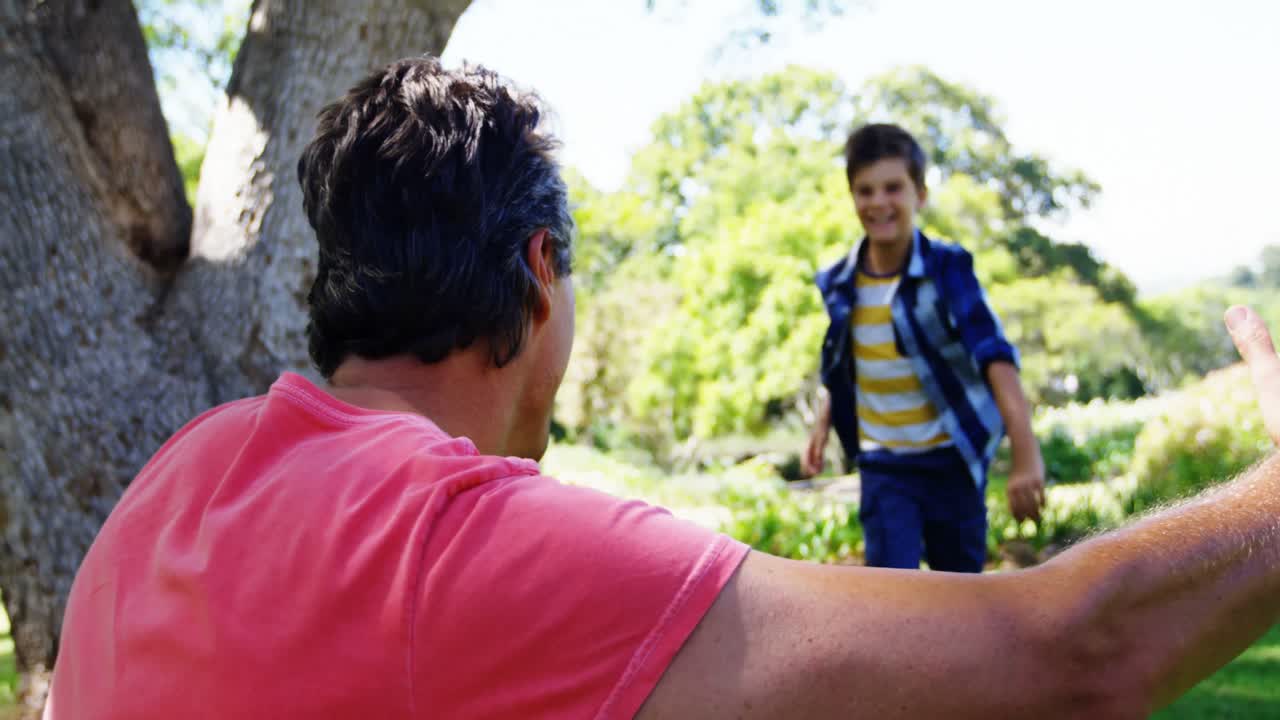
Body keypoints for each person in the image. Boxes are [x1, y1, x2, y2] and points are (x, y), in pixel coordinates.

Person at [46, 56, 1280, 720]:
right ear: (541, 276)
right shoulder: (464, 544)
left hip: (933, 472)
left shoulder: (176, 480)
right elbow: (1074, 650)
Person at [801, 123, 1045, 572]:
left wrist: (1025, 456)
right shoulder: (840, 281)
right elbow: (845, 363)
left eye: (893, 188)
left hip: (950, 459)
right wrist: (822, 424)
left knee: (960, 594)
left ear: (920, 194)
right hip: (884, 467)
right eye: (865, 191)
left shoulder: (947, 269)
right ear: (852, 196)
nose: (878, 203)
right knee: (892, 593)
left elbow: (995, 358)